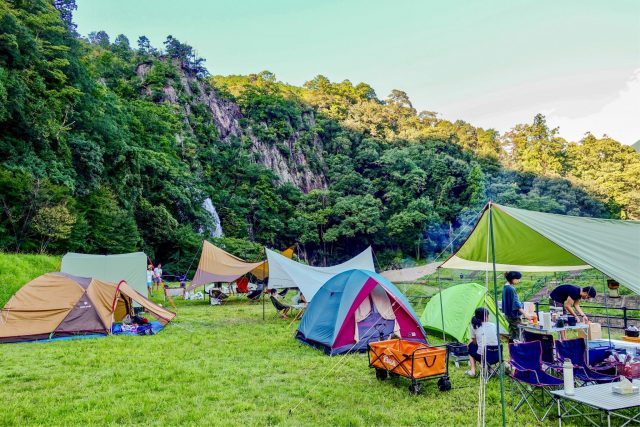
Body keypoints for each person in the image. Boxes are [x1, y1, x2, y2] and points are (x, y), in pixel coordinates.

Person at [466, 307, 499, 377]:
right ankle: (490, 369)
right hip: (497, 356)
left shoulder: (474, 326)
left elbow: (475, 342)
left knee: (471, 346)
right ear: (486, 316)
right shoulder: (493, 325)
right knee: (489, 346)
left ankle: (473, 370)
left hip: (482, 357)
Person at [501, 271, 532, 342]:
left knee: (512, 332)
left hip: (507, 314)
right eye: (518, 279)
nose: (519, 281)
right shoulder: (511, 289)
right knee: (519, 333)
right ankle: (518, 349)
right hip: (513, 315)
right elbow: (516, 304)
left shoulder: (505, 287)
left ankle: (512, 348)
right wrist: (525, 314)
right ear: (513, 279)